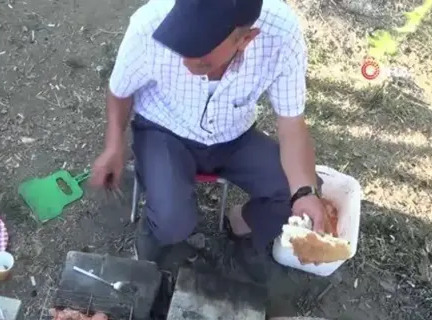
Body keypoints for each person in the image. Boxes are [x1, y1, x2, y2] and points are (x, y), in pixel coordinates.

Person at [90, 0, 328, 282]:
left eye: (201, 59)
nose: (186, 63)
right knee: (172, 221)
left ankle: (239, 225)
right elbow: (120, 90)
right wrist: (114, 143)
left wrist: (303, 192)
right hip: (164, 128)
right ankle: (154, 235)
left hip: (233, 134)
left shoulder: (282, 34)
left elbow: (291, 123)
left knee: (300, 192)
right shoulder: (150, 23)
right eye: (180, 48)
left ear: (245, 40)